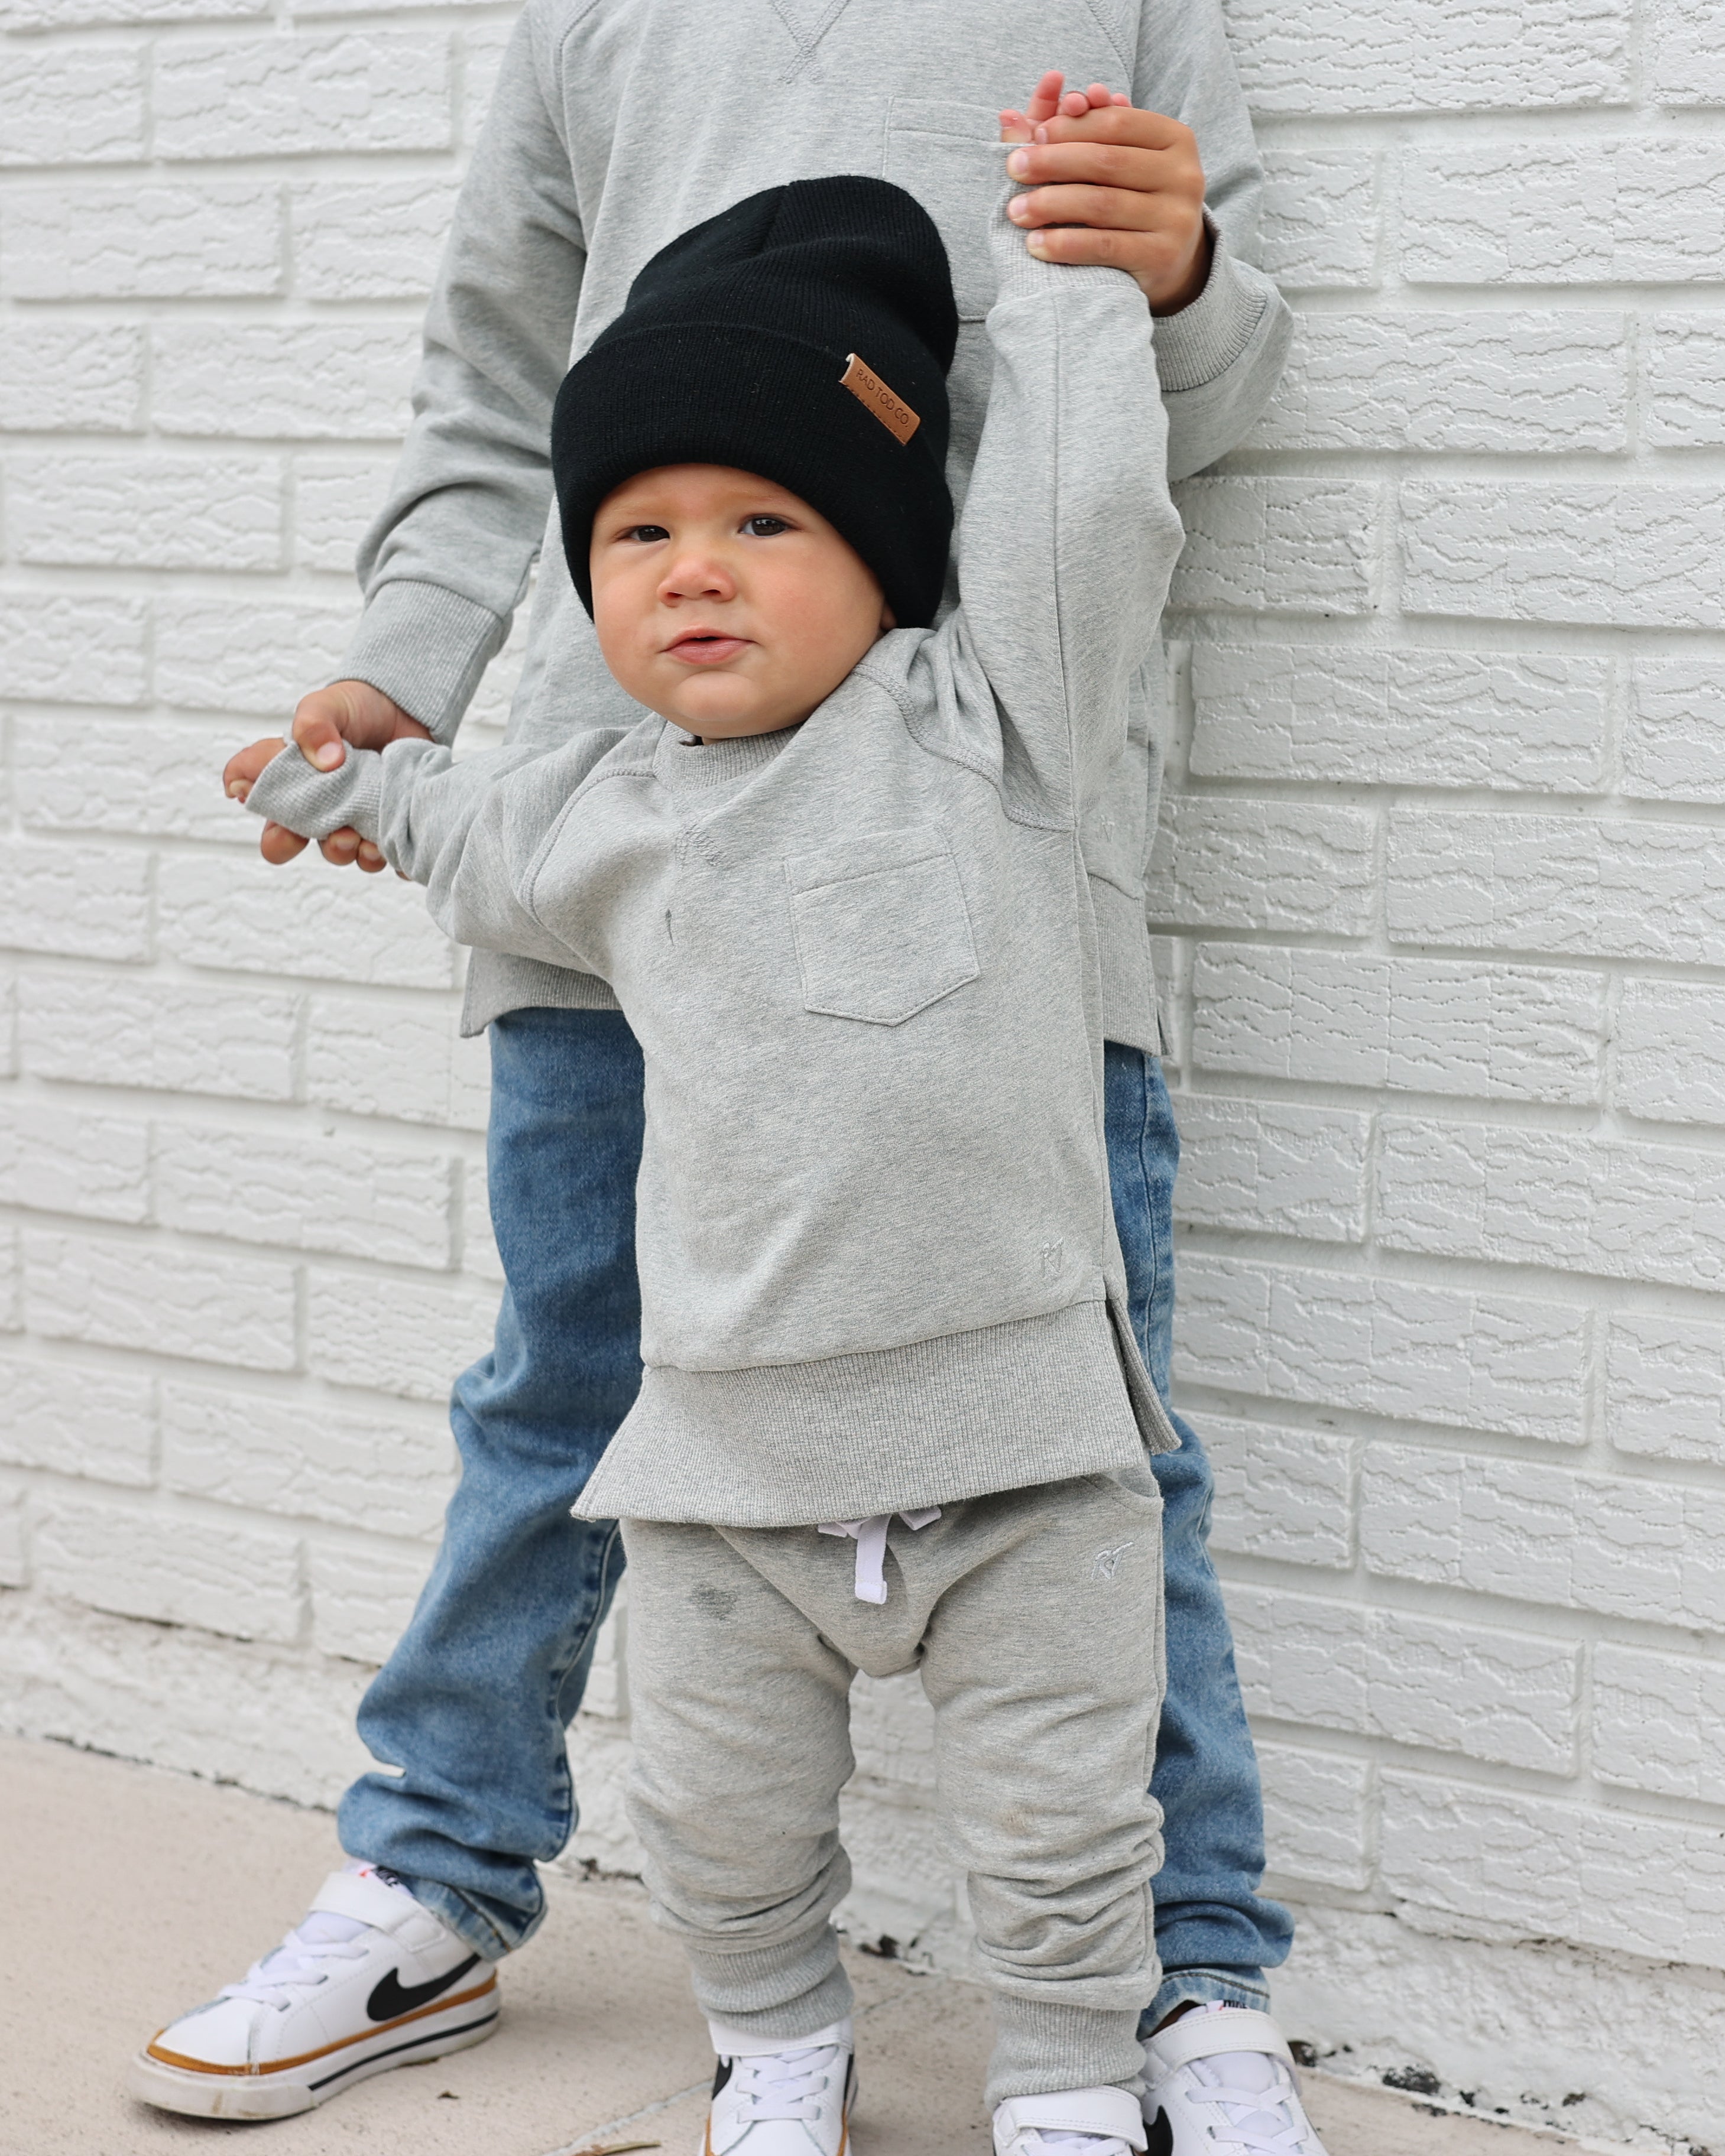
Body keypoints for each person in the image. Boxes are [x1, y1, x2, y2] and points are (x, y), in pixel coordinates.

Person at [131, 8, 1305, 2148]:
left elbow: (1188, 411)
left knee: (1100, 1446)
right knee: (567, 1386)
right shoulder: (595, 23)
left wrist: (1182, 286)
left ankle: (1182, 1978)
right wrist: (407, 673)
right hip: (614, 822)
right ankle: (441, 1873)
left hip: (977, 852)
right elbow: (496, 375)